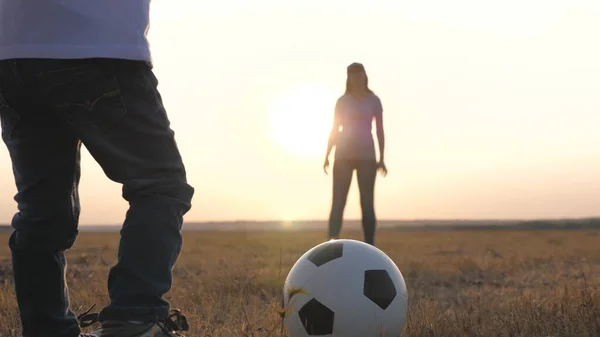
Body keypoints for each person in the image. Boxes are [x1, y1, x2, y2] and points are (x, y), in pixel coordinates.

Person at [0, 2, 194, 337]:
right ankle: (135, 320)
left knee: (41, 211)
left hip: (11, 52)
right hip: (95, 42)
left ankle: (47, 329)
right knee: (160, 186)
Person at [323, 62, 387, 246]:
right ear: (348, 78)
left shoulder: (373, 100)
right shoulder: (342, 101)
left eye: (360, 75)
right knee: (338, 202)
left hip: (367, 156)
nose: (357, 79)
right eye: (353, 75)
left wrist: (381, 158)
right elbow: (335, 128)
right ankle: (331, 243)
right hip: (343, 156)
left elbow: (380, 130)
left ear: (365, 76)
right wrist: (328, 153)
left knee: (367, 203)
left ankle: (370, 245)